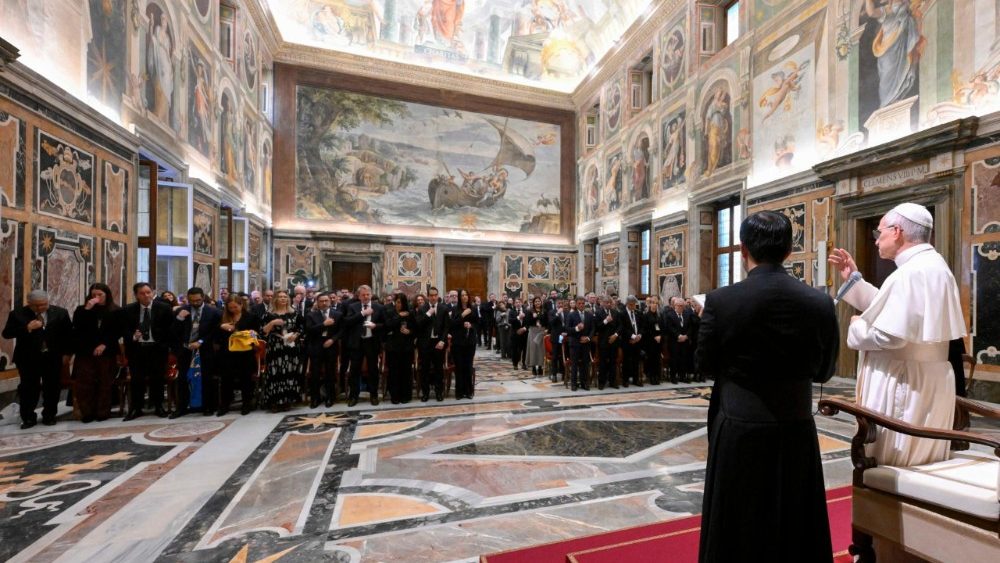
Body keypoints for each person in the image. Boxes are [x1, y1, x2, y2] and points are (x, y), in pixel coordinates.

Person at [697, 210, 838, 562]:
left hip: (739, 425)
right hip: (795, 426)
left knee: (737, 522)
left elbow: (704, 365)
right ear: (790, 250)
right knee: (795, 519)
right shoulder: (820, 302)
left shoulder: (721, 301)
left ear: (743, 249)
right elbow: (824, 371)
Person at [829, 202, 966, 467]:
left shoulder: (912, 272)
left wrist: (856, 327)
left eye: (879, 233)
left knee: (896, 463)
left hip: (902, 383)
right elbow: (896, 311)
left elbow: (890, 336)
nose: (877, 240)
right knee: (921, 460)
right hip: (923, 381)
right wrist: (853, 280)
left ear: (897, 231)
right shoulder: (931, 265)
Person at [2, 290, 72, 428]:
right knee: (28, 388)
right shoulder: (17, 314)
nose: (41, 308)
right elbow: (7, 334)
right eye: (37, 306)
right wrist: (26, 328)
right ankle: (28, 417)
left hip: (52, 357)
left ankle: (49, 415)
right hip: (27, 358)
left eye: (44, 304)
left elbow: (68, 335)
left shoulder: (60, 313)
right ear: (29, 304)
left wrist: (67, 354)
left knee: (52, 387)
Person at [122, 282, 175, 420]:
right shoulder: (128, 309)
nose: (146, 295)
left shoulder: (164, 308)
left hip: (157, 349)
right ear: (136, 295)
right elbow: (124, 329)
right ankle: (136, 408)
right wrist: (133, 336)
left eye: (148, 292)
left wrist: (164, 344)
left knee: (157, 379)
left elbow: (170, 328)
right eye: (142, 293)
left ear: (152, 292)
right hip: (137, 350)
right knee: (136, 380)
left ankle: (158, 406)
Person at [71, 283, 121, 423]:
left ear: (107, 295)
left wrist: (105, 344)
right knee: (85, 383)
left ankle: (103, 412)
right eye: (94, 295)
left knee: (105, 382)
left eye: (100, 295)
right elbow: (78, 327)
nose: (96, 297)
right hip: (85, 351)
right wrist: (87, 309)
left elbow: (117, 331)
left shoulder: (115, 310)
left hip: (107, 350)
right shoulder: (82, 310)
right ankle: (87, 413)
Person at [170, 287, 222, 418]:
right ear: (188, 299)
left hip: (205, 350)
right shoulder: (181, 311)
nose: (195, 303)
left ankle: (207, 406)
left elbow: (215, 331)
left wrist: (201, 341)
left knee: (206, 378)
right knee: (183, 378)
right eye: (192, 300)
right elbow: (172, 332)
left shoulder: (213, 312)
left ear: (203, 297)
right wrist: (179, 319)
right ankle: (182, 407)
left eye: (198, 300)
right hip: (186, 350)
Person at [214, 294, 260, 415]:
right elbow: (216, 336)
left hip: (245, 352)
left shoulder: (250, 317)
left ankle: (246, 404)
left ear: (241, 305)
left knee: (246, 379)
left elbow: (256, 332)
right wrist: (221, 327)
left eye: (236, 307)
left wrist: (251, 333)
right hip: (227, 353)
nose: (233, 310)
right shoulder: (222, 317)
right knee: (226, 379)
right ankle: (225, 404)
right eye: (231, 308)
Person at [260, 290, 304, 411]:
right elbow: (263, 332)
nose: (283, 299)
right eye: (280, 297)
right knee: (276, 373)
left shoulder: (294, 313)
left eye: (285, 297)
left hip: (291, 346)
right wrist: (272, 322)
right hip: (276, 347)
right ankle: (275, 401)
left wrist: (296, 335)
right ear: (275, 299)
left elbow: (301, 328)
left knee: (290, 373)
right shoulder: (268, 314)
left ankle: (287, 400)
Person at [344, 285, 385, 407]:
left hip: (372, 342)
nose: (366, 297)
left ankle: (374, 395)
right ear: (359, 296)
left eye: (368, 294)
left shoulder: (379, 307)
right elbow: (347, 322)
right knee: (354, 370)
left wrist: (375, 326)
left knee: (373, 370)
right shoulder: (353, 307)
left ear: (371, 295)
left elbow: (384, 324)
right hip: (357, 343)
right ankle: (353, 396)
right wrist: (363, 313)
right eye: (363, 295)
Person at [305, 292, 342, 408]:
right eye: (321, 301)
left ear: (330, 302)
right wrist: (323, 324)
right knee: (315, 373)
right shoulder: (311, 315)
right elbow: (309, 330)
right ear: (317, 302)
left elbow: (341, 331)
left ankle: (330, 397)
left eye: (326, 301)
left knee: (330, 373)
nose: (324, 303)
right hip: (316, 346)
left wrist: (333, 340)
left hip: (331, 346)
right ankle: (315, 398)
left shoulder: (337, 314)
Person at [416, 287, 447, 402]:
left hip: (438, 343)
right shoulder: (422, 308)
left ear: (438, 295)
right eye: (431, 295)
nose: (433, 297)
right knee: (425, 369)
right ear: (428, 296)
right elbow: (418, 324)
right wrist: (428, 314)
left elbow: (446, 327)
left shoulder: (443, 308)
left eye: (435, 295)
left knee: (439, 369)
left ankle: (439, 392)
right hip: (425, 344)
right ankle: (425, 393)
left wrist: (442, 340)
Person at [384, 292, 416, 404]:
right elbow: (388, 326)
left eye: (402, 302)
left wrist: (410, 331)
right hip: (393, 348)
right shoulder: (389, 312)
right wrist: (399, 316)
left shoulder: (410, 313)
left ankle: (406, 395)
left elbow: (415, 330)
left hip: (407, 348)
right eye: (397, 302)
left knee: (406, 372)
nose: (399, 305)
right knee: (394, 372)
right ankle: (395, 395)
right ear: (394, 302)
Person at [449, 289, 478, 399]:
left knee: (468, 366)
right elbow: (452, 324)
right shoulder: (455, 309)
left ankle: (469, 391)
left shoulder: (473, 309)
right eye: (462, 295)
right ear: (459, 297)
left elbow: (477, 324)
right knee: (459, 367)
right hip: (458, 343)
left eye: (466, 294)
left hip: (470, 342)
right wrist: (462, 315)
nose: (464, 297)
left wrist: (471, 326)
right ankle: (459, 392)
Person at [663, 296, 696, 383]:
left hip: (685, 341)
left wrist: (686, 336)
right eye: (679, 305)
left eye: (682, 306)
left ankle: (683, 376)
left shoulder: (687, 314)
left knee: (684, 359)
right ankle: (673, 377)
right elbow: (670, 327)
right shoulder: (670, 315)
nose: (681, 307)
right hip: (674, 341)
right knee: (674, 359)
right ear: (675, 306)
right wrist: (678, 336)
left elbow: (690, 327)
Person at [567, 296, 594, 391]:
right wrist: (577, 328)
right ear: (576, 304)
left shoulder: (589, 315)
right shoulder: (571, 315)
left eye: (583, 303)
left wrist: (588, 338)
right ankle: (573, 384)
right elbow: (567, 329)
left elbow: (592, 329)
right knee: (574, 364)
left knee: (585, 364)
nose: (581, 305)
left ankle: (584, 383)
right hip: (575, 343)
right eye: (579, 303)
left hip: (586, 343)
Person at [595, 295, 620, 389]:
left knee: (613, 362)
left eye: (610, 303)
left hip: (614, 341)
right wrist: (605, 321)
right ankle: (602, 382)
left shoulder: (615, 312)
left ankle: (613, 382)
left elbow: (620, 326)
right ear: (603, 303)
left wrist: (616, 335)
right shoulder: (598, 313)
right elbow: (597, 327)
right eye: (607, 303)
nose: (609, 304)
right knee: (603, 362)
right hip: (603, 342)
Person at [620, 296, 643, 387]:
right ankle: (625, 380)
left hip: (637, 341)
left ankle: (635, 379)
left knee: (636, 361)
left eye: (634, 304)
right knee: (627, 361)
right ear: (627, 304)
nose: (633, 306)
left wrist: (639, 336)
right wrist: (633, 336)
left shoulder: (638, 313)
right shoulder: (622, 314)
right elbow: (623, 328)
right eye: (631, 305)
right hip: (627, 341)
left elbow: (642, 326)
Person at [525, 296, 546, 376]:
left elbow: (546, 321)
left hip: (541, 331)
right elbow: (527, 322)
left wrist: (538, 317)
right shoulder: (530, 311)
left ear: (541, 302)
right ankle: (533, 367)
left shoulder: (544, 311)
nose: (537, 303)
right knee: (533, 349)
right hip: (533, 331)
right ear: (533, 303)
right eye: (536, 301)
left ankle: (540, 367)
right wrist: (533, 318)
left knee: (541, 350)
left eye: (539, 301)